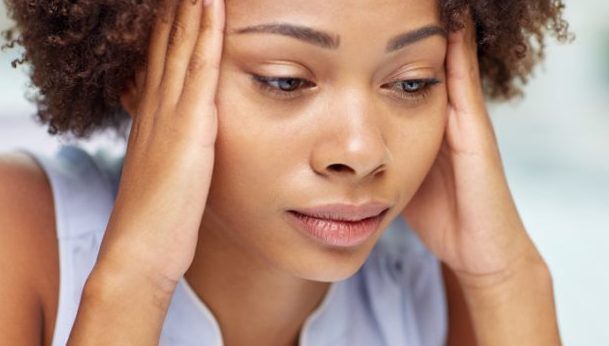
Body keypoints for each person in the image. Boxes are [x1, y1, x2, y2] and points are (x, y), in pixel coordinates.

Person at [0, 0, 570, 345]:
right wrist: (134, 280)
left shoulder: (439, 282)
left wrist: (508, 280)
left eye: (412, 82)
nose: (361, 150)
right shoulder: (19, 235)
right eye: (286, 80)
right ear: (137, 73)